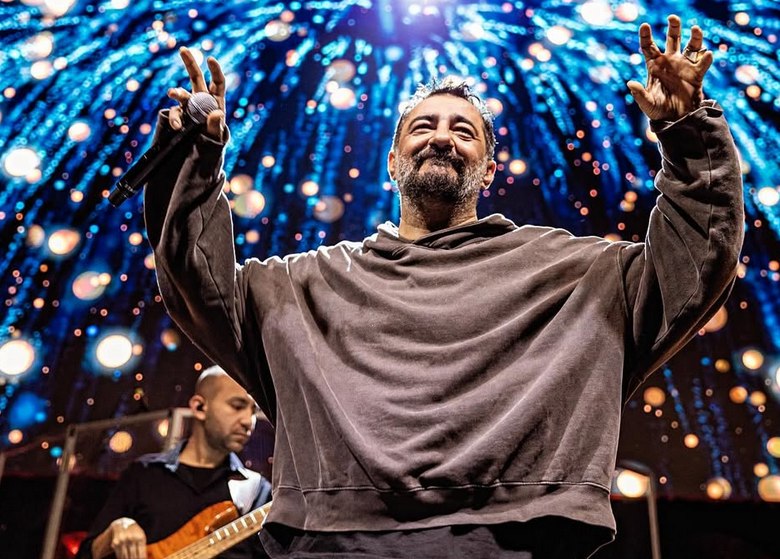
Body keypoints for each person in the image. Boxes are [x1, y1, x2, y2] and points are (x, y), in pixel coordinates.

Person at [142, 14, 743, 559]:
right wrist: (192, 158)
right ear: (392, 162)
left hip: (515, 544)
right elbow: (197, 281)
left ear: (488, 170)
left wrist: (687, 132)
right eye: (423, 126)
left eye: (464, 131)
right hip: (331, 544)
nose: (441, 137)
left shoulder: (571, 273)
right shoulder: (304, 284)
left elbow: (692, 264)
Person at [77, 367, 272, 559]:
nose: (249, 421)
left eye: (253, 411)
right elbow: (86, 554)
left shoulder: (259, 492)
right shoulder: (144, 474)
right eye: (237, 406)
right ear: (199, 407)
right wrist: (115, 531)